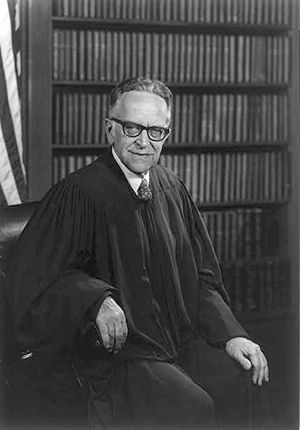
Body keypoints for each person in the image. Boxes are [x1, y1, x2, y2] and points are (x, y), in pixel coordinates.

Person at [6, 77, 269, 429]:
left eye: (156, 131)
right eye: (132, 128)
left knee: (243, 376)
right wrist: (94, 299)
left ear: (166, 135)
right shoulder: (78, 194)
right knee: (194, 406)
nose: (144, 142)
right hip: (121, 358)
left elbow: (201, 277)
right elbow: (36, 277)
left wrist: (231, 333)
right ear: (109, 129)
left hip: (179, 341)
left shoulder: (172, 189)